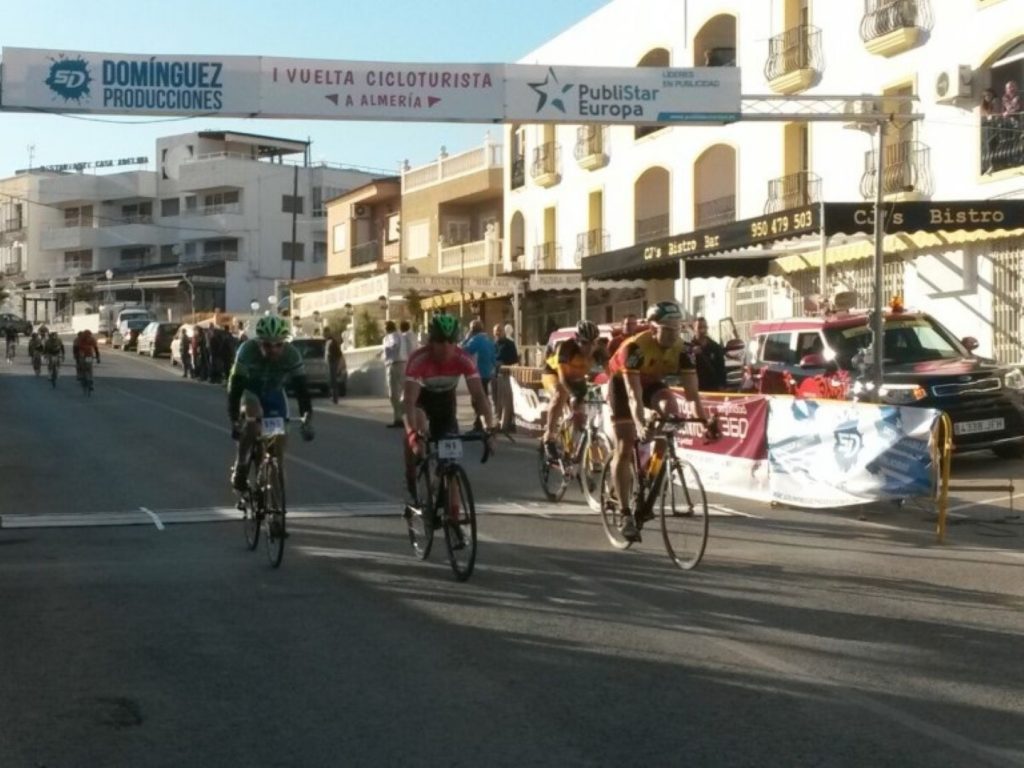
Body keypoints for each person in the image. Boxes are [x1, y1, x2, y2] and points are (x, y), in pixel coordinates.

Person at [606, 301, 710, 540]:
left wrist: (704, 422)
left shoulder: (683, 351)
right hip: (623, 385)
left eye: (678, 328)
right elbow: (633, 395)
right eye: (669, 329)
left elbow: (692, 395)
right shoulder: (634, 348)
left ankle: (649, 476)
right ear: (653, 329)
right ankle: (624, 513)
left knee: (670, 410)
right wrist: (640, 424)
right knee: (626, 442)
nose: (675, 334)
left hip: (651, 382)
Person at [402, 313, 496, 503]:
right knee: (418, 425)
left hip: (445, 404)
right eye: (440, 341)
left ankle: (453, 517)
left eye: (450, 341)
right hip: (421, 400)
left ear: (456, 342)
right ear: (431, 341)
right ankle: (411, 476)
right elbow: (409, 402)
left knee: (450, 459)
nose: (445, 346)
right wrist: (413, 436)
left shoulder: (464, 359)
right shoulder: (418, 359)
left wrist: (489, 428)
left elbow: (479, 396)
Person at [227, 315, 314, 492]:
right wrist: (234, 419)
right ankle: (241, 466)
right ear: (258, 343)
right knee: (253, 418)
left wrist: (307, 417)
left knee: (278, 447)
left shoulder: (291, 354)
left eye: (278, 345)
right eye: (267, 345)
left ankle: (274, 498)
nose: (273, 350)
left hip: (273, 391)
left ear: (284, 342)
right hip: (249, 389)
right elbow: (236, 388)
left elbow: (302, 389)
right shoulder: (246, 350)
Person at [541, 320, 600, 460]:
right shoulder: (566, 348)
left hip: (576, 377)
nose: (590, 348)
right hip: (554, 373)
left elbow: (611, 373)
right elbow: (562, 378)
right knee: (560, 393)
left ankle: (569, 450)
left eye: (593, 343)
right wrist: (573, 395)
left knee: (580, 418)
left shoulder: (600, 351)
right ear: (577, 339)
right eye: (585, 343)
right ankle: (549, 436)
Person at [493, 323, 520, 432]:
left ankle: (505, 424)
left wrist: (503, 363)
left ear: (503, 331)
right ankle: (498, 421)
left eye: (499, 330)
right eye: (496, 331)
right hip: (495, 375)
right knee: (496, 401)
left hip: (506, 375)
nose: (497, 333)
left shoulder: (509, 344)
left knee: (506, 401)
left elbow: (514, 359)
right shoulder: (493, 344)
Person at [690, 316, 727, 391]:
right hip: (696, 389)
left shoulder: (715, 347)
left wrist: (722, 385)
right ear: (694, 329)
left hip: (713, 389)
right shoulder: (689, 348)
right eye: (699, 327)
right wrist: (691, 353)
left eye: (704, 327)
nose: (702, 330)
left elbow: (721, 368)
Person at [382, 320, 407, 427]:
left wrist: (386, 351)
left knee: (393, 392)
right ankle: (400, 416)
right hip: (400, 363)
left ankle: (399, 417)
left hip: (395, 364)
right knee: (401, 391)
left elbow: (394, 345)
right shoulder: (399, 335)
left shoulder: (392, 336)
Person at [325, 330, 344, 404]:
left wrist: (337, 364)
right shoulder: (328, 342)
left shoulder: (331, 342)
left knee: (333, 381)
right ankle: (333, 397)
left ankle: (335, 398)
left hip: (332, 363)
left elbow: (338, 354)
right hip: (330, 363)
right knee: (332, 381)